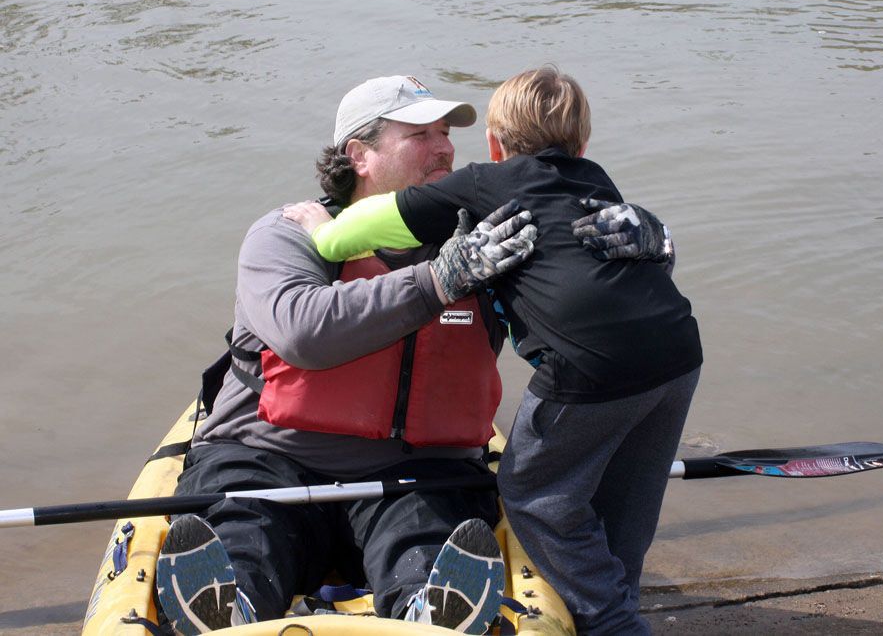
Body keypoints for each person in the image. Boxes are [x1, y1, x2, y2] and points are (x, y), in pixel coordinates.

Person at [154, 74, 672, 635]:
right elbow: (302, 331)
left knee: (423, 542)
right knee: (246, 532)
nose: (446, 147)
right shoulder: (287, 235)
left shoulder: (492, 236)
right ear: (360, 154)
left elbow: (591, 307)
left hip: (414, 467)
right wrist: (439, 280)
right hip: (267, 453)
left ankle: (432, 610)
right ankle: (233, 607)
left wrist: (650, 251)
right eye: (421, 134)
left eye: (447, 133)